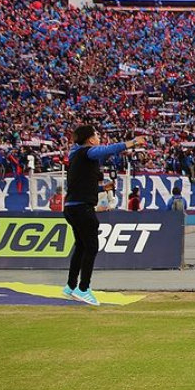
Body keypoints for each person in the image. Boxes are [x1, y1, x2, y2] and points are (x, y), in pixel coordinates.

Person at [63, 126, 146, 306]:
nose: (99, 138)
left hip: (71, 207)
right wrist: (132, 142)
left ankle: (70, 286)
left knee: (81, 245)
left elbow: (81, 184)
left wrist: (102, 188)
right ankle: (83, 289)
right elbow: (107, 150)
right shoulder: (87, 152)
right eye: (96, 135)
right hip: (83, 209)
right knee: (91, 247)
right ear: (91, 140)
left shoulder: (75, 155)